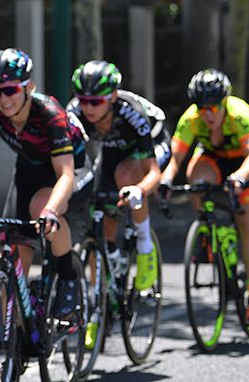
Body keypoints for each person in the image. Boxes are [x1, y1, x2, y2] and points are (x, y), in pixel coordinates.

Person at [0, 48, 89, 322]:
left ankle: (68, 279)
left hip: (70, 170)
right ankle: (17, 340)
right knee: (14, 249)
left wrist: (52, 210)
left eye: (10, 90)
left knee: (41, 208)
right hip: (29, 172)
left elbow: (65, 174)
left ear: (28, 86)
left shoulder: (50, 114)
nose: (4, 99)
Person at [67, 60, 168, 348]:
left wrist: (139, 190)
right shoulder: (74, 113)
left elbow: (154, 173)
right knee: (101, 212)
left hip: (150, 145)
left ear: (112, 97)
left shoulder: (131, 114)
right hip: (113, 149)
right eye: (84, 100)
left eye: (96, 101)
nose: (89, 108)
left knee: (127, 177)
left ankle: (146, 247)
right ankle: (98, 311)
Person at [159, 69, 249, 326]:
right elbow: (176, 157)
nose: (208, 113)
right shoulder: (191, 119)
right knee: (196, 181)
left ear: (224, 102)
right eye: (202, 107)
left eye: (214, 107)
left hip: (246, 165)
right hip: (215, 161)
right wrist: (165, 179)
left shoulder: (239, 113)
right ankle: (208, 231)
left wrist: (241, 177)